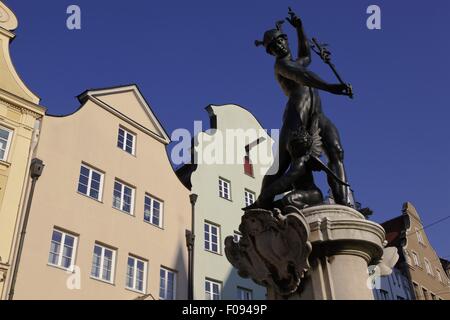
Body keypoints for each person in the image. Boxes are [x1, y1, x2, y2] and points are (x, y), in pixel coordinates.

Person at [253, 9, 353, 209]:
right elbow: (303, 77)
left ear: (285, 40)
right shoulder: (281, 66)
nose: (279, 46)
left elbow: (306, 55)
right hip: (296, 119)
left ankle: (344, 204)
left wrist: (299, 29)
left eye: (281, 41)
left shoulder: (296, 62)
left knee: (337, 152)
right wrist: (331, 87)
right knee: (281, 166)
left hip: (317, 116)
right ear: (271, 52)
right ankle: (262, 204)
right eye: (274, 46)